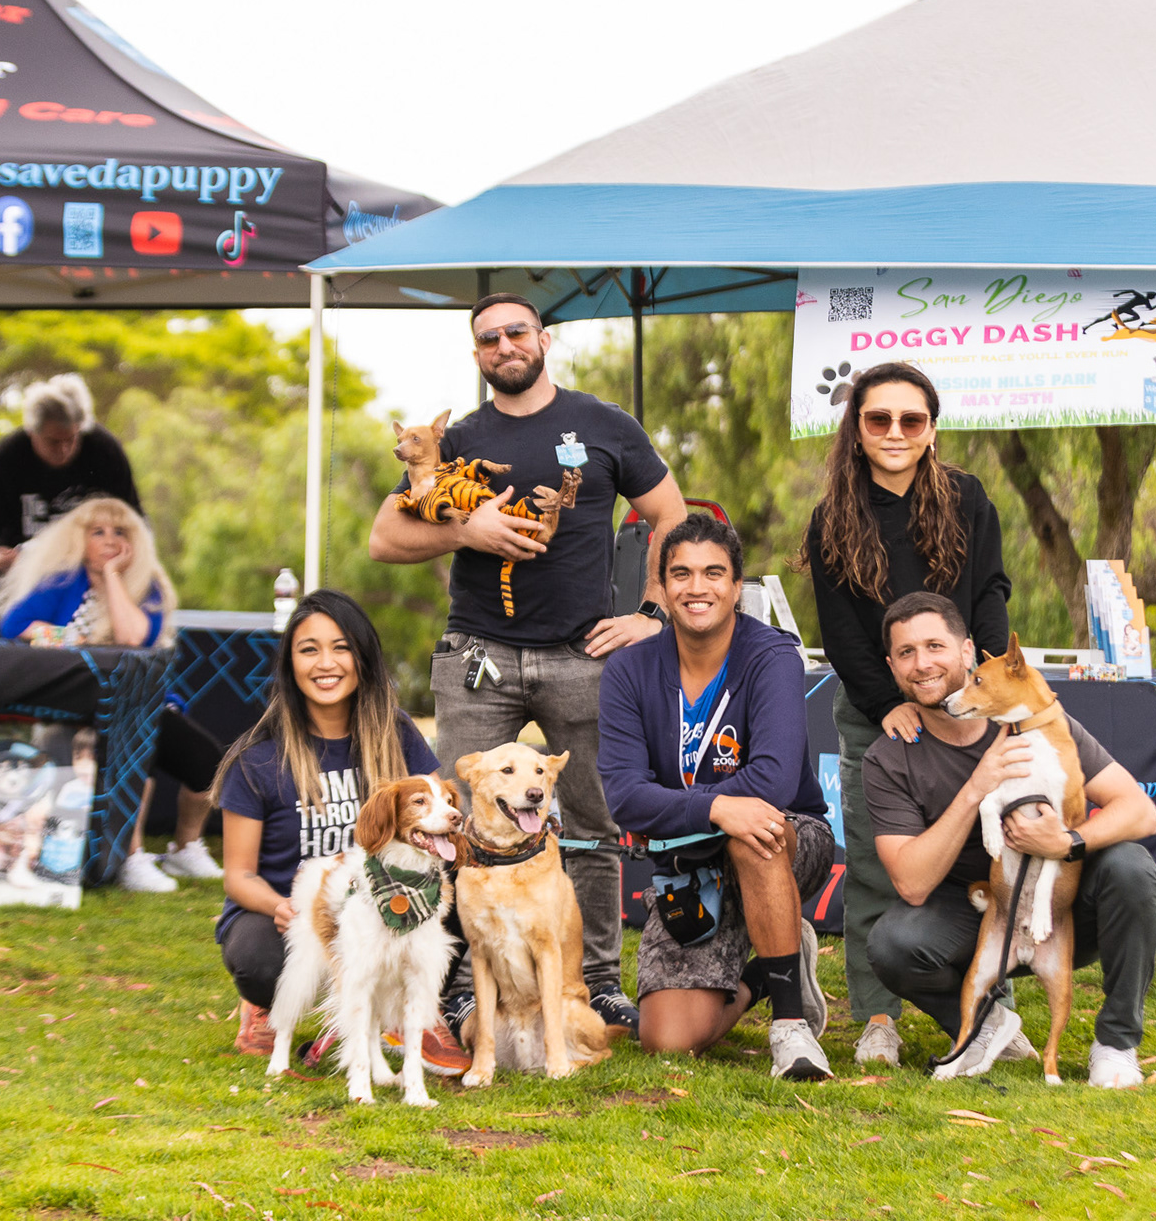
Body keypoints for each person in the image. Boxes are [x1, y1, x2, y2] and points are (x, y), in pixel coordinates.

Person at [368, 293, 688, 1041]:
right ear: (476, 354)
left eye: (516, 331)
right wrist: (465, 530)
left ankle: (596, 984)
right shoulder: (458, 439)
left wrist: (651, 613)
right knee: (452, 827)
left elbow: (671, 515)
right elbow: (385, 537)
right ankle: (454, 990)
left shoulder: (606, 424)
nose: (505, 345)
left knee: (593, 826)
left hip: (585, 653)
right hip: (479, 654)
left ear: (543, 338)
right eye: (489, 339)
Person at [862, 593, 1156, 1089]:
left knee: (1130, 867)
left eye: (935, 646)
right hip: (974, 909)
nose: (923, 664)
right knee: (893, 944)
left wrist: (1067, 841)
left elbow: (1140, 812)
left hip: (1061, 904)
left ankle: (1116, 1044)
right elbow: (912, 884)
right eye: (907, 653)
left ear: (968, 652)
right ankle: (990, 1025)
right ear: (892, 667)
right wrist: (977, 788)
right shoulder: (889, 756)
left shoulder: (1041, 723)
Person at [800, 361, 1010, 1068]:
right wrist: (888, 703)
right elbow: (841, 632)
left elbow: (989, 592)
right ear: (856, 430)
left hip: (969, 706)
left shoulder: (968, 498)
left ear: (932, 430)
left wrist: (985, 677)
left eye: (910, 420)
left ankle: (990, 1009)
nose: (895, 432)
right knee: (872, 869)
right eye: (878, 419)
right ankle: (878, 1017)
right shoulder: (833, 517)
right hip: (876, 711)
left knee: (981, 861)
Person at [597, 514, 835, 1079]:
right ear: (661, 586)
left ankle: (791, 1029)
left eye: (713, 573)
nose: (696, 587)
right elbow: (626, 797)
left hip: (789, 836)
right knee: (669, 1040)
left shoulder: (772, 656)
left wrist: (702, 808)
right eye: (680, 573)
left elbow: (774, 783)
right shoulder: (629, 670)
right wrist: (712, 808)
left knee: (755, 827)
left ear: (735, 586)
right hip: (689, 862)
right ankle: (772, 967)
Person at [211, 590, 471, 1072]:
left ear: (363, 657)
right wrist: (282, 907)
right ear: (289, 663)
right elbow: (238, 876)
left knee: (453, 913)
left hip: (385, 898)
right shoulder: (258, 758)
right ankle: (266, 1004)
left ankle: (410, 1013)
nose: (325, 663)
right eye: (309, 649)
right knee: (260, 961)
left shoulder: (396, 733)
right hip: (296, 908)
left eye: (341, 647)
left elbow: (439, 824)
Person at [0, 497, 223, 892]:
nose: (109, 540)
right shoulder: (61, 581)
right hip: (72, 702)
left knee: (208, 761)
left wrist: (114, 577)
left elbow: (133, 638)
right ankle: (129, 857)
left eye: (120, 532)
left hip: (138, 700)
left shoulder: (147, 587)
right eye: (97, 532)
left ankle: (185, 848)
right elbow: (13, 624)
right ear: (78, 539)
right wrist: (72, 638)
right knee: (139, 759)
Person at [0, 374, 141, 586]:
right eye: (53, 442)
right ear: (32, 432)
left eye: (71, 439)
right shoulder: (6, 458)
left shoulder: (105, 452)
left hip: (94, 579)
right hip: (24, 582)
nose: (64, 450)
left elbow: (134, 521)